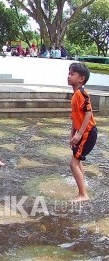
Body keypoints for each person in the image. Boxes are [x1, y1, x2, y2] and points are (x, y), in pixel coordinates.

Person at [67, 63, 97, 202]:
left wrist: (79, 134)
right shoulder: (75, 95)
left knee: (73, 163)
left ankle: (83, 195)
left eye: (72, 74)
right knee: (77, 162)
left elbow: (89, 112)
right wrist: (72, 133)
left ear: (81, 79)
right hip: (82, 132)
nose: (68, 76)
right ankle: (82, 185)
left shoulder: (82, 93)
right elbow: (74, 117)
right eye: (69, 73)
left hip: (88, 132)